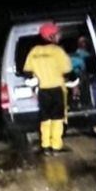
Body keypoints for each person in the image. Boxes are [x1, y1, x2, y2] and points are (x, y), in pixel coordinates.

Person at [22, 22, 75, 154]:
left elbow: (27, 72)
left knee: (45, 119)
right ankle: (56, 146)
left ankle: (45, 145)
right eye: (57, 34)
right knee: (57, 119)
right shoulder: (58, 51)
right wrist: (74, 82)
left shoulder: (34, 52)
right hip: (57, 89)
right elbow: (68, 71)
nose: (60, 36)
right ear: (51, 36)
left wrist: (34, 85)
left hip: (43, 91)